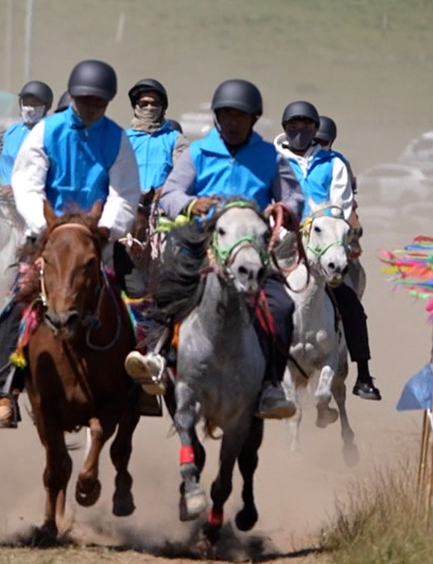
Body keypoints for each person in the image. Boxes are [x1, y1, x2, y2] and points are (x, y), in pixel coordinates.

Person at [125, 79, 305, 420]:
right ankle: (157, 356)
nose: (232, 123)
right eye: (226, 116)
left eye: (240, 117)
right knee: (167, 288)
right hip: (203, 244)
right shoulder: (198, 152)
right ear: (217, 117)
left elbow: (294, 197)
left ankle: (271, 385)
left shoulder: (270, 157)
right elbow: (171, 193)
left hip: (250, 251)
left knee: (282, 306)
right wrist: (191, 204)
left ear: (253, 119)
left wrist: (284, 209)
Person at [0, 60, 142, 429]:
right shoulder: (45, 131)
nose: (91, 107)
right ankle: (6, 392)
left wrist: (103, 229)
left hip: (96, 238)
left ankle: (145, 379)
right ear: (72, 96)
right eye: (85, 99)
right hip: (48, 238)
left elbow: (123, 193)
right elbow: (27, 185)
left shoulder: (117, 138)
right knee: (16, 305)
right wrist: (49, 230)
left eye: (98, 102)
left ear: (108, 101)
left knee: (140, 296)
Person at [273, 104, 381, 401]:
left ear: (315, 129)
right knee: (251, 292)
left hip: (323, 242)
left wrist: (320, 223)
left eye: (307, 126)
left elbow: (342, 206)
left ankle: (364, 376)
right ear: (285, 128)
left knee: (350, 304)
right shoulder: (275, 160)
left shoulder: (334, 163)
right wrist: (283, 229)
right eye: (293, 126)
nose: (300, 132)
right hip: (284, 240)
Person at [0, 80, 55, 195]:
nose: (29, 108)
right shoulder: (6, 134)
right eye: (26, 103)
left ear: (47, 106)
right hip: (2, 201)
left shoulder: (51, 135)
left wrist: (17, 189)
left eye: (35, 104)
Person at [123, 79, 185, 195]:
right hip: (128, 200)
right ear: (135, 106)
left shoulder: (176, 139)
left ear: (163, 109)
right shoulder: (122, 139)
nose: (149, 108)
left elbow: (184, 176)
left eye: (155, 104)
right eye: (144, 104)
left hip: (162, 201)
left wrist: (162, 193)